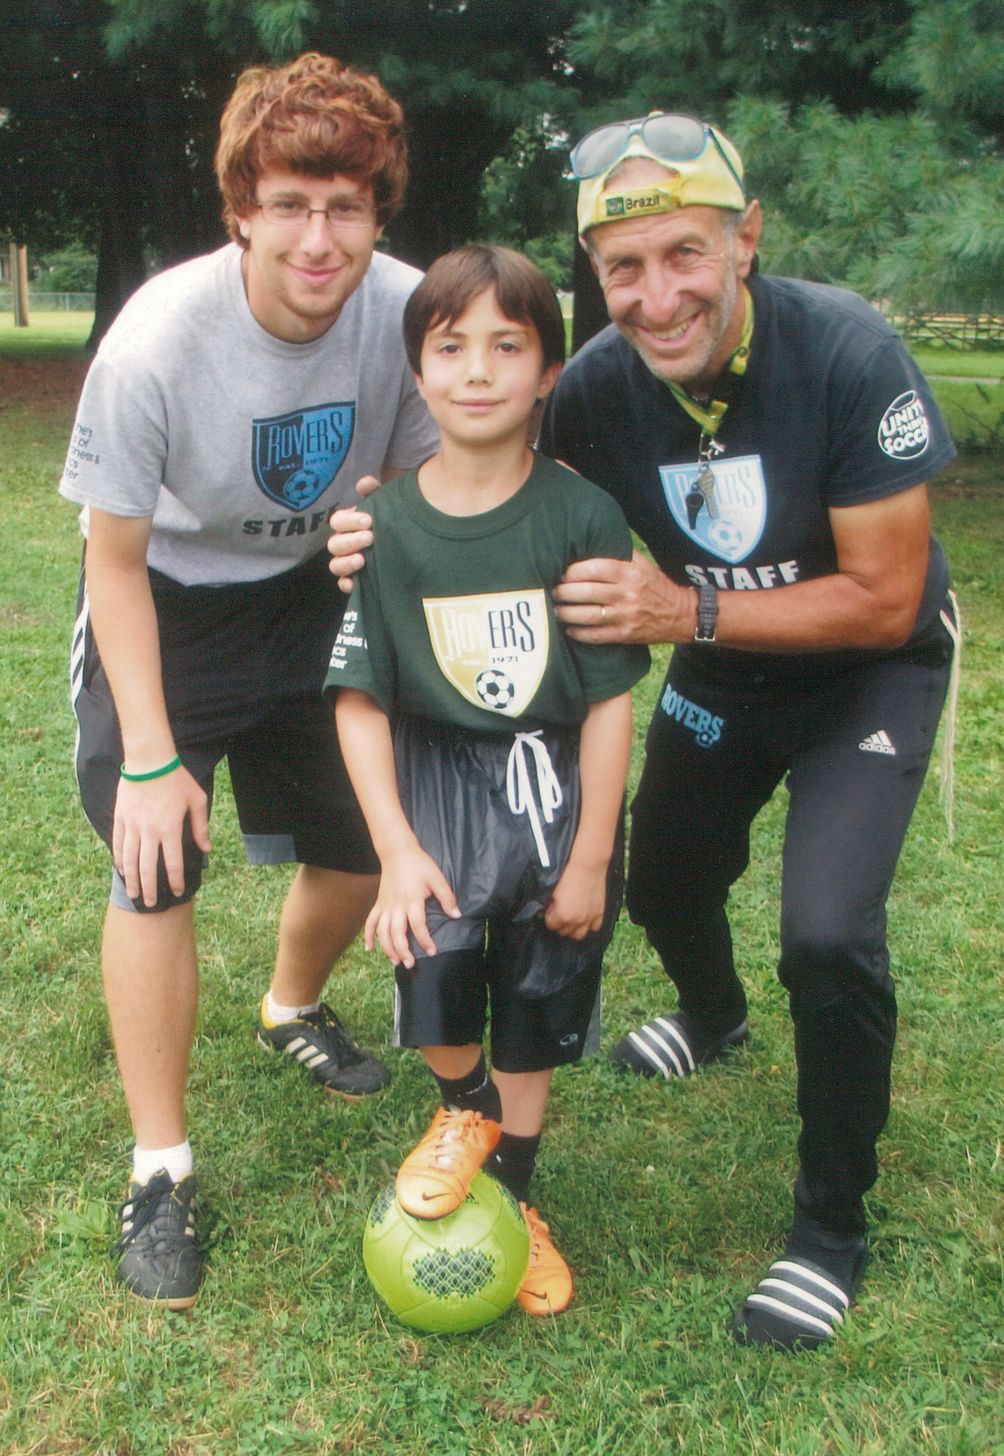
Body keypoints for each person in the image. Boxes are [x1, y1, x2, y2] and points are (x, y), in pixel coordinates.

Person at [330, 115, 959, 1350]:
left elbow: (884, 596)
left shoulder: (845, 350)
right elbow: (486, 468)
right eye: (624, 266)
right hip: (721, 665)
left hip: (865, 671)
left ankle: (828, 1227)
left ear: (745, 239)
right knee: (662, 879)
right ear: (595, 272)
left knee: (824, 933)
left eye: (685, 254)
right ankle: (713, 1015)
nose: (656, 295)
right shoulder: (595, 388)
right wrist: (377, 524)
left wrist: (685, 610)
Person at [59, 52, 439, 1310]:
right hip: (169, 602)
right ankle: (160, 1168)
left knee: (365, 841)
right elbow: (112, 560)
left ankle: (290, 1006)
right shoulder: (157, 338)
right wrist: (152, 757)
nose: (317, 239)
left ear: (377, 212)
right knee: (154, 858)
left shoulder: (408, 311)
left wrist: (385, 519)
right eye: (288, 204)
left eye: (345, 207)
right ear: (240, 209)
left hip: (315, 594)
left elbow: (423, 478)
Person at [329, 244, 649, 1314]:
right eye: (450, 346)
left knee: (538, 984)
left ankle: (513, 1197)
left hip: (552, 782)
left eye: (506, 346)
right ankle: (465, 1104)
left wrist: (591, 856)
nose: (476, 370)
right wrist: (394, 849)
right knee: (434, 959)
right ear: (417, 372)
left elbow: (608, 699)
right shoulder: (384, 527)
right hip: (435, 778)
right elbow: (359, 700)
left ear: (548, 370)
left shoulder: (583, 516)